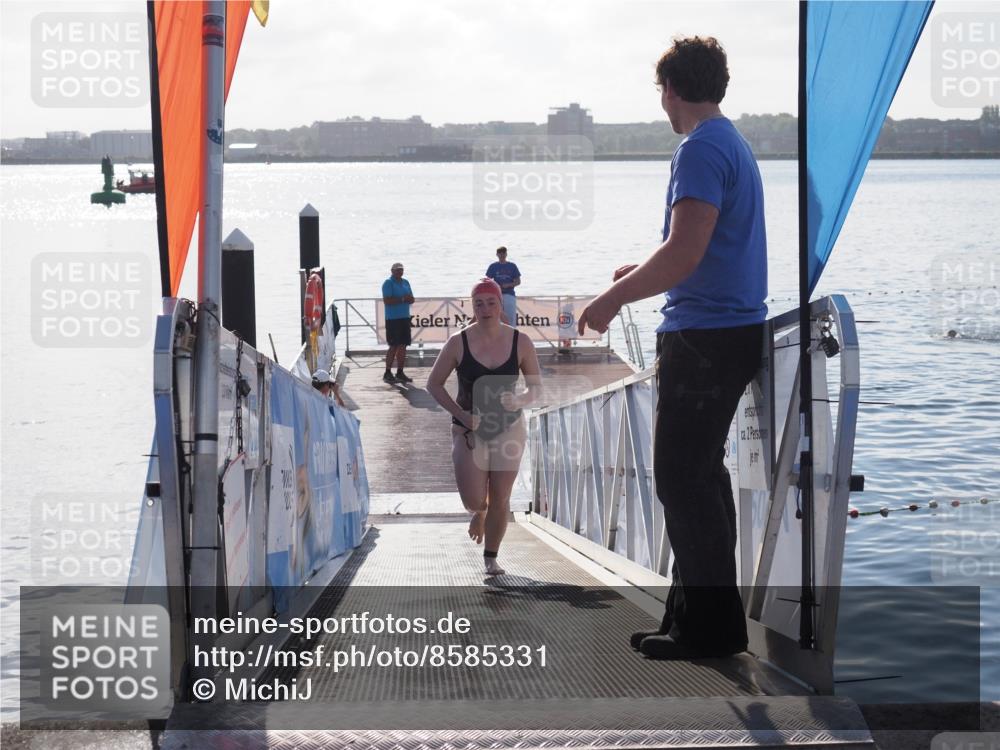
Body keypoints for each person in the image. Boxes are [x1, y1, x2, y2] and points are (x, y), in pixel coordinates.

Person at [577, 36, 767, 660]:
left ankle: (711, 630)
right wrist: (647, 270)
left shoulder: (700, 148)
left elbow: (684, 251)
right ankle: (694, 620)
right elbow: (698, 251)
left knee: (682, 479)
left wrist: (611, 302)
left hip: (705, 339)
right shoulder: (730, 141)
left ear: (672, 89)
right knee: (701, 478)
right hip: (728, 331)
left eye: (660, 89)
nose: (661, 101)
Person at [427, 278, 542, 576]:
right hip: (469, 431)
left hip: (508, 428)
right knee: (474, 499)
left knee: (502, 496)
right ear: (472, 306)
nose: (485, 308)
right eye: (479, 303)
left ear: (500, 305)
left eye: (491, 302)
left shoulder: (521, 341)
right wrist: (461, 416)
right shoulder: (458, 342)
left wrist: (519, 401)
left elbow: (536, 390)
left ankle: (491, 559)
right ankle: (479, 511)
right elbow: (434, 385)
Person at [381, 262, 415, 384]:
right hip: (393, 319)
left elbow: (412, 298)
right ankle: (387, 372)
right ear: (392, 271)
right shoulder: (388, 283)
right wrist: (402, 299)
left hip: (405, 318)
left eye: (401, 270)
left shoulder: (406, 282)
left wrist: (407, 299)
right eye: (397, 270)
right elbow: (387, 300)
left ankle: (400, 372)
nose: (400, 272)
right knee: (393, 346)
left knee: (403, 345)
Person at [485, 246, 521, 326]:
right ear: (497, 254)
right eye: (500, 253)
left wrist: (509, 285)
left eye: (503, 253)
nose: (502, 255)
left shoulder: (512, 266)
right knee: (497, 317)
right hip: (496, 295)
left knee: (510, 318)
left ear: (506, 254)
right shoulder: (493, 266)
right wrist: (495, 286)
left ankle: (512, 336)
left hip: (509, 294)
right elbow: (487, 280)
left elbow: (518, 281)